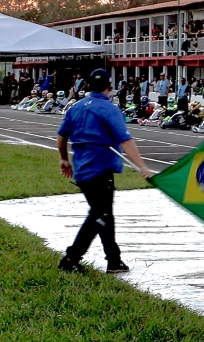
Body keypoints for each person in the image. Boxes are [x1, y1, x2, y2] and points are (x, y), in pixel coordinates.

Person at [56, 68, 153, 274]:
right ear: (110, 87)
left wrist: (64, 159)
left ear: (89, 86)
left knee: (104, 214)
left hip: (82, 169)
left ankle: (114, 261)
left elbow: (61, 136)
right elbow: (125, 140)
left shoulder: (77, 107)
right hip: (100, 169)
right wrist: (142, 166)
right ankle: (71, 258)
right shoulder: (109, 109)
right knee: (99, 215)